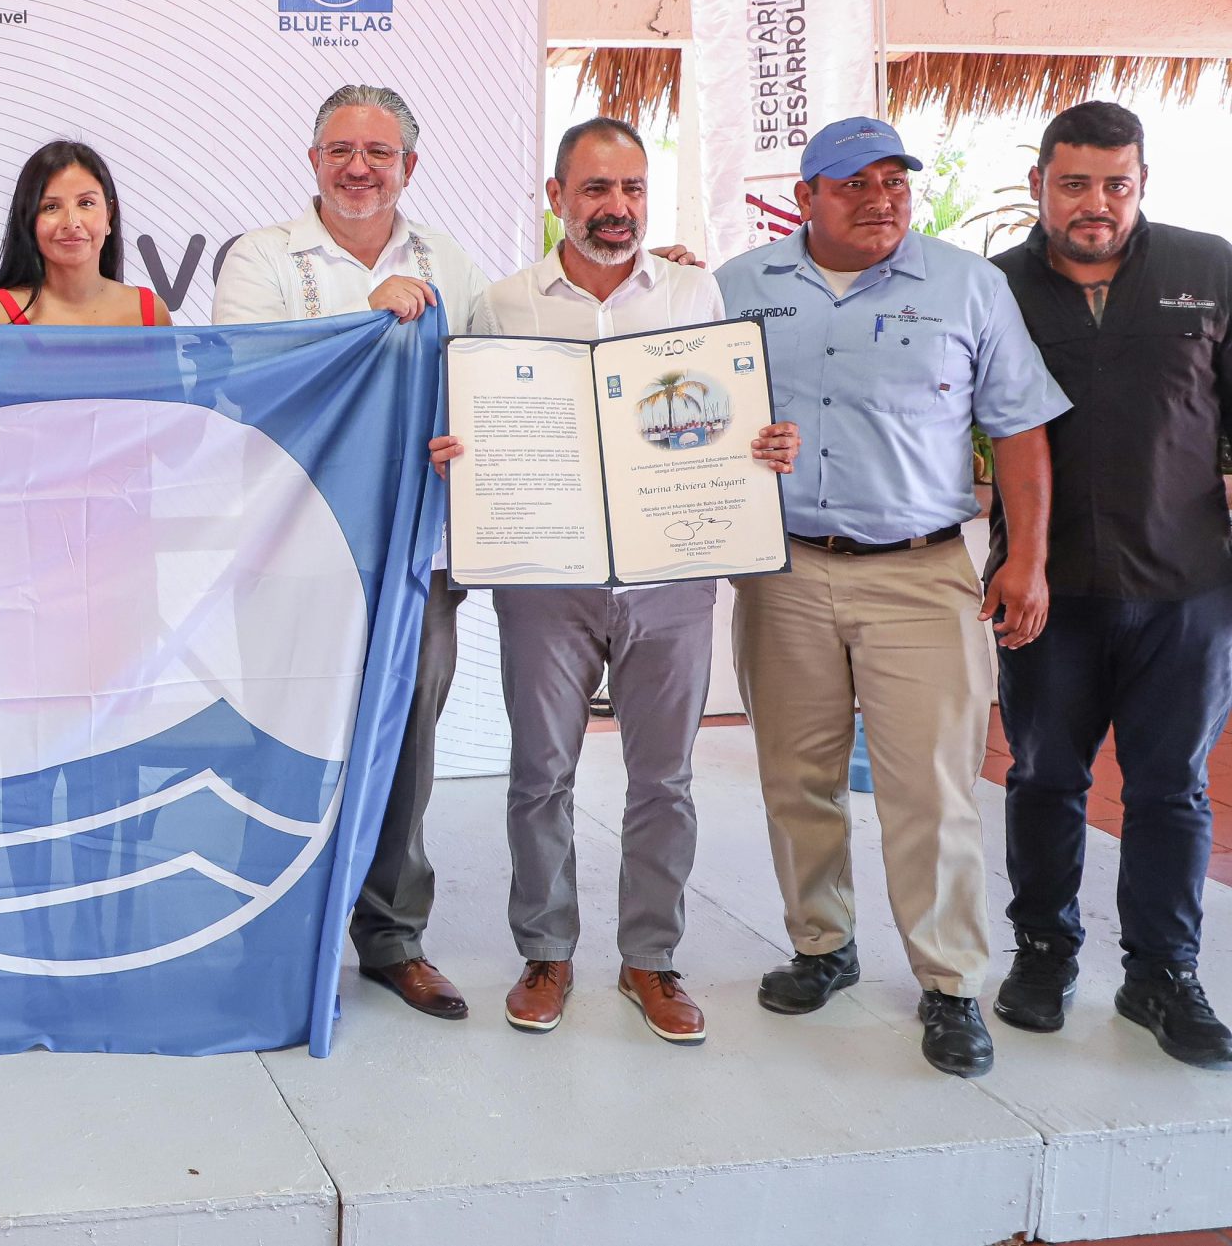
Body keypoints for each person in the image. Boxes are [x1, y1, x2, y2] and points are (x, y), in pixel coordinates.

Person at [716, 115, 1069, 1079]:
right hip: (782, 570)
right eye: (854, 183)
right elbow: (685, 407)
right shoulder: (737, 289)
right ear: (807, 198)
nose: (880, 199)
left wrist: (1025, 557)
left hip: (922, 571)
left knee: (934, 791)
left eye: (894, 180)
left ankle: (951, 984)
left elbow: (1023, 430)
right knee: (797, 778)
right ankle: (823, 946)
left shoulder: (968, 285)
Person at [440, 118, 797, 1045]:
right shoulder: (504, 304)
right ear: (556, 197)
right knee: (540, 773)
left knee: (665, 780)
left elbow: (726, 415)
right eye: (596, 189)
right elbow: (469, 425)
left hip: (671, 576)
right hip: (545, 579)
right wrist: (457, 455)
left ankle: (651, 960)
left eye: (633, 188)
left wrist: (765, 443)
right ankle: (546, 952)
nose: (617, 207)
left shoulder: (692, 290)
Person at [213, 83, 489, 1020]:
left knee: (407, 738)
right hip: (291, 547)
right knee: (282, 733)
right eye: (340, 150)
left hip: (416, 549)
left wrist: (471, 435)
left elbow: (490, 386)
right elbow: (253, 382)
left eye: (379, 152)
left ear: (410, 165)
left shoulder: (451, 260)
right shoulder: (261, 258)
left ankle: (391, 935)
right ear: (312, 160)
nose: (359, 167)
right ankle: (268, 926)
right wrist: (366, 319)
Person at [986, 101, 1232, 1069]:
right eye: (1074, 183)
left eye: (1115, 183)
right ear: (1040, 183)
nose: (1096, 203)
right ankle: (1044, 951)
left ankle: (1161, 973)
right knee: (1044, 776)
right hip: (1048, 589)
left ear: (1141, 184)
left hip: (1188, 585)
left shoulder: (1207, 269)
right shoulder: (993, 286)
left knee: (1171, 788)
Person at [0, 141, 170, 326]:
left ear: (109, 215)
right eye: (51, 206)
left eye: (86, 203)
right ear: (28, 220)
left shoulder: (150, 313)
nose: (71, 222)